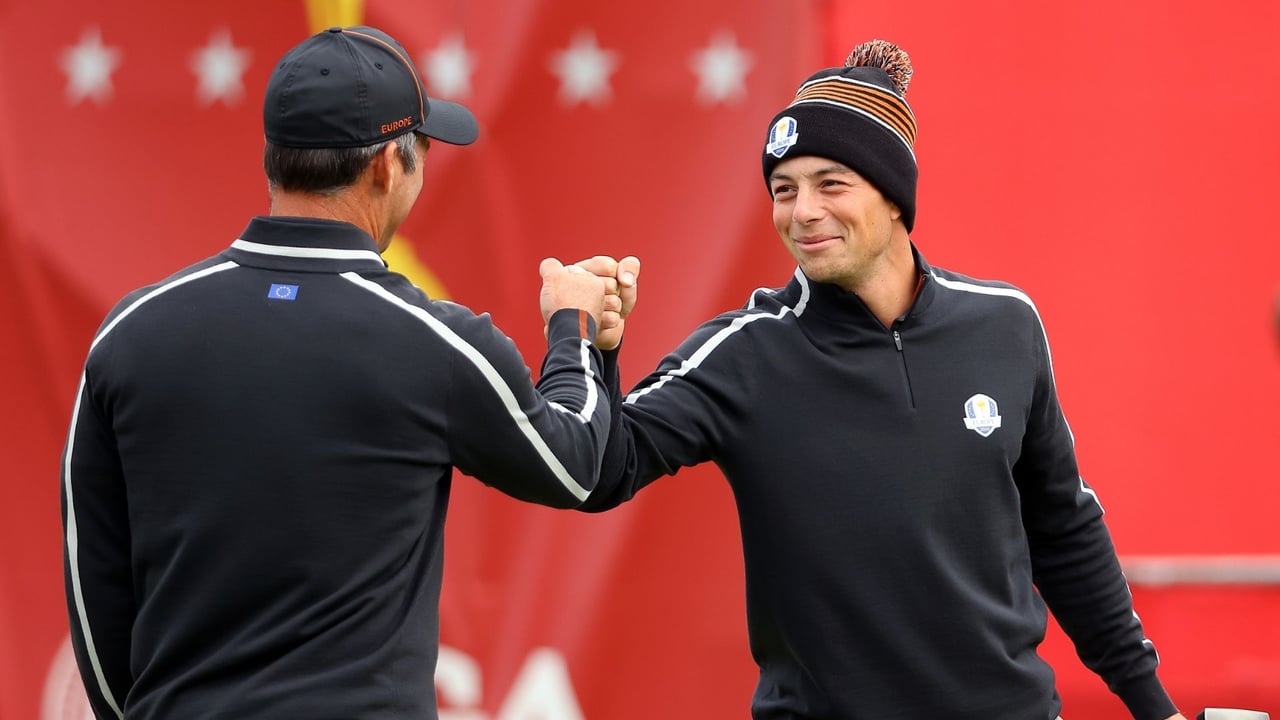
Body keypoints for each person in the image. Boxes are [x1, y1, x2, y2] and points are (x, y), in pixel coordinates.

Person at [565, 40, 1187, 720]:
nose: (802, 211)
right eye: (784, 189)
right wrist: (589, 346)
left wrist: (1153, 707)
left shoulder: (1006, 325)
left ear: (894, 196)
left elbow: (1064, 531)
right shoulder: (744, 351)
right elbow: (596, 471)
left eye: (831, 183)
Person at [60, 26, 618, 720]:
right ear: (388, 165)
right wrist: (576, 328)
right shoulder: (433, 342)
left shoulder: (131, 333)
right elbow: (576, 463)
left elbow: (96, 594)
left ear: (273, 158)